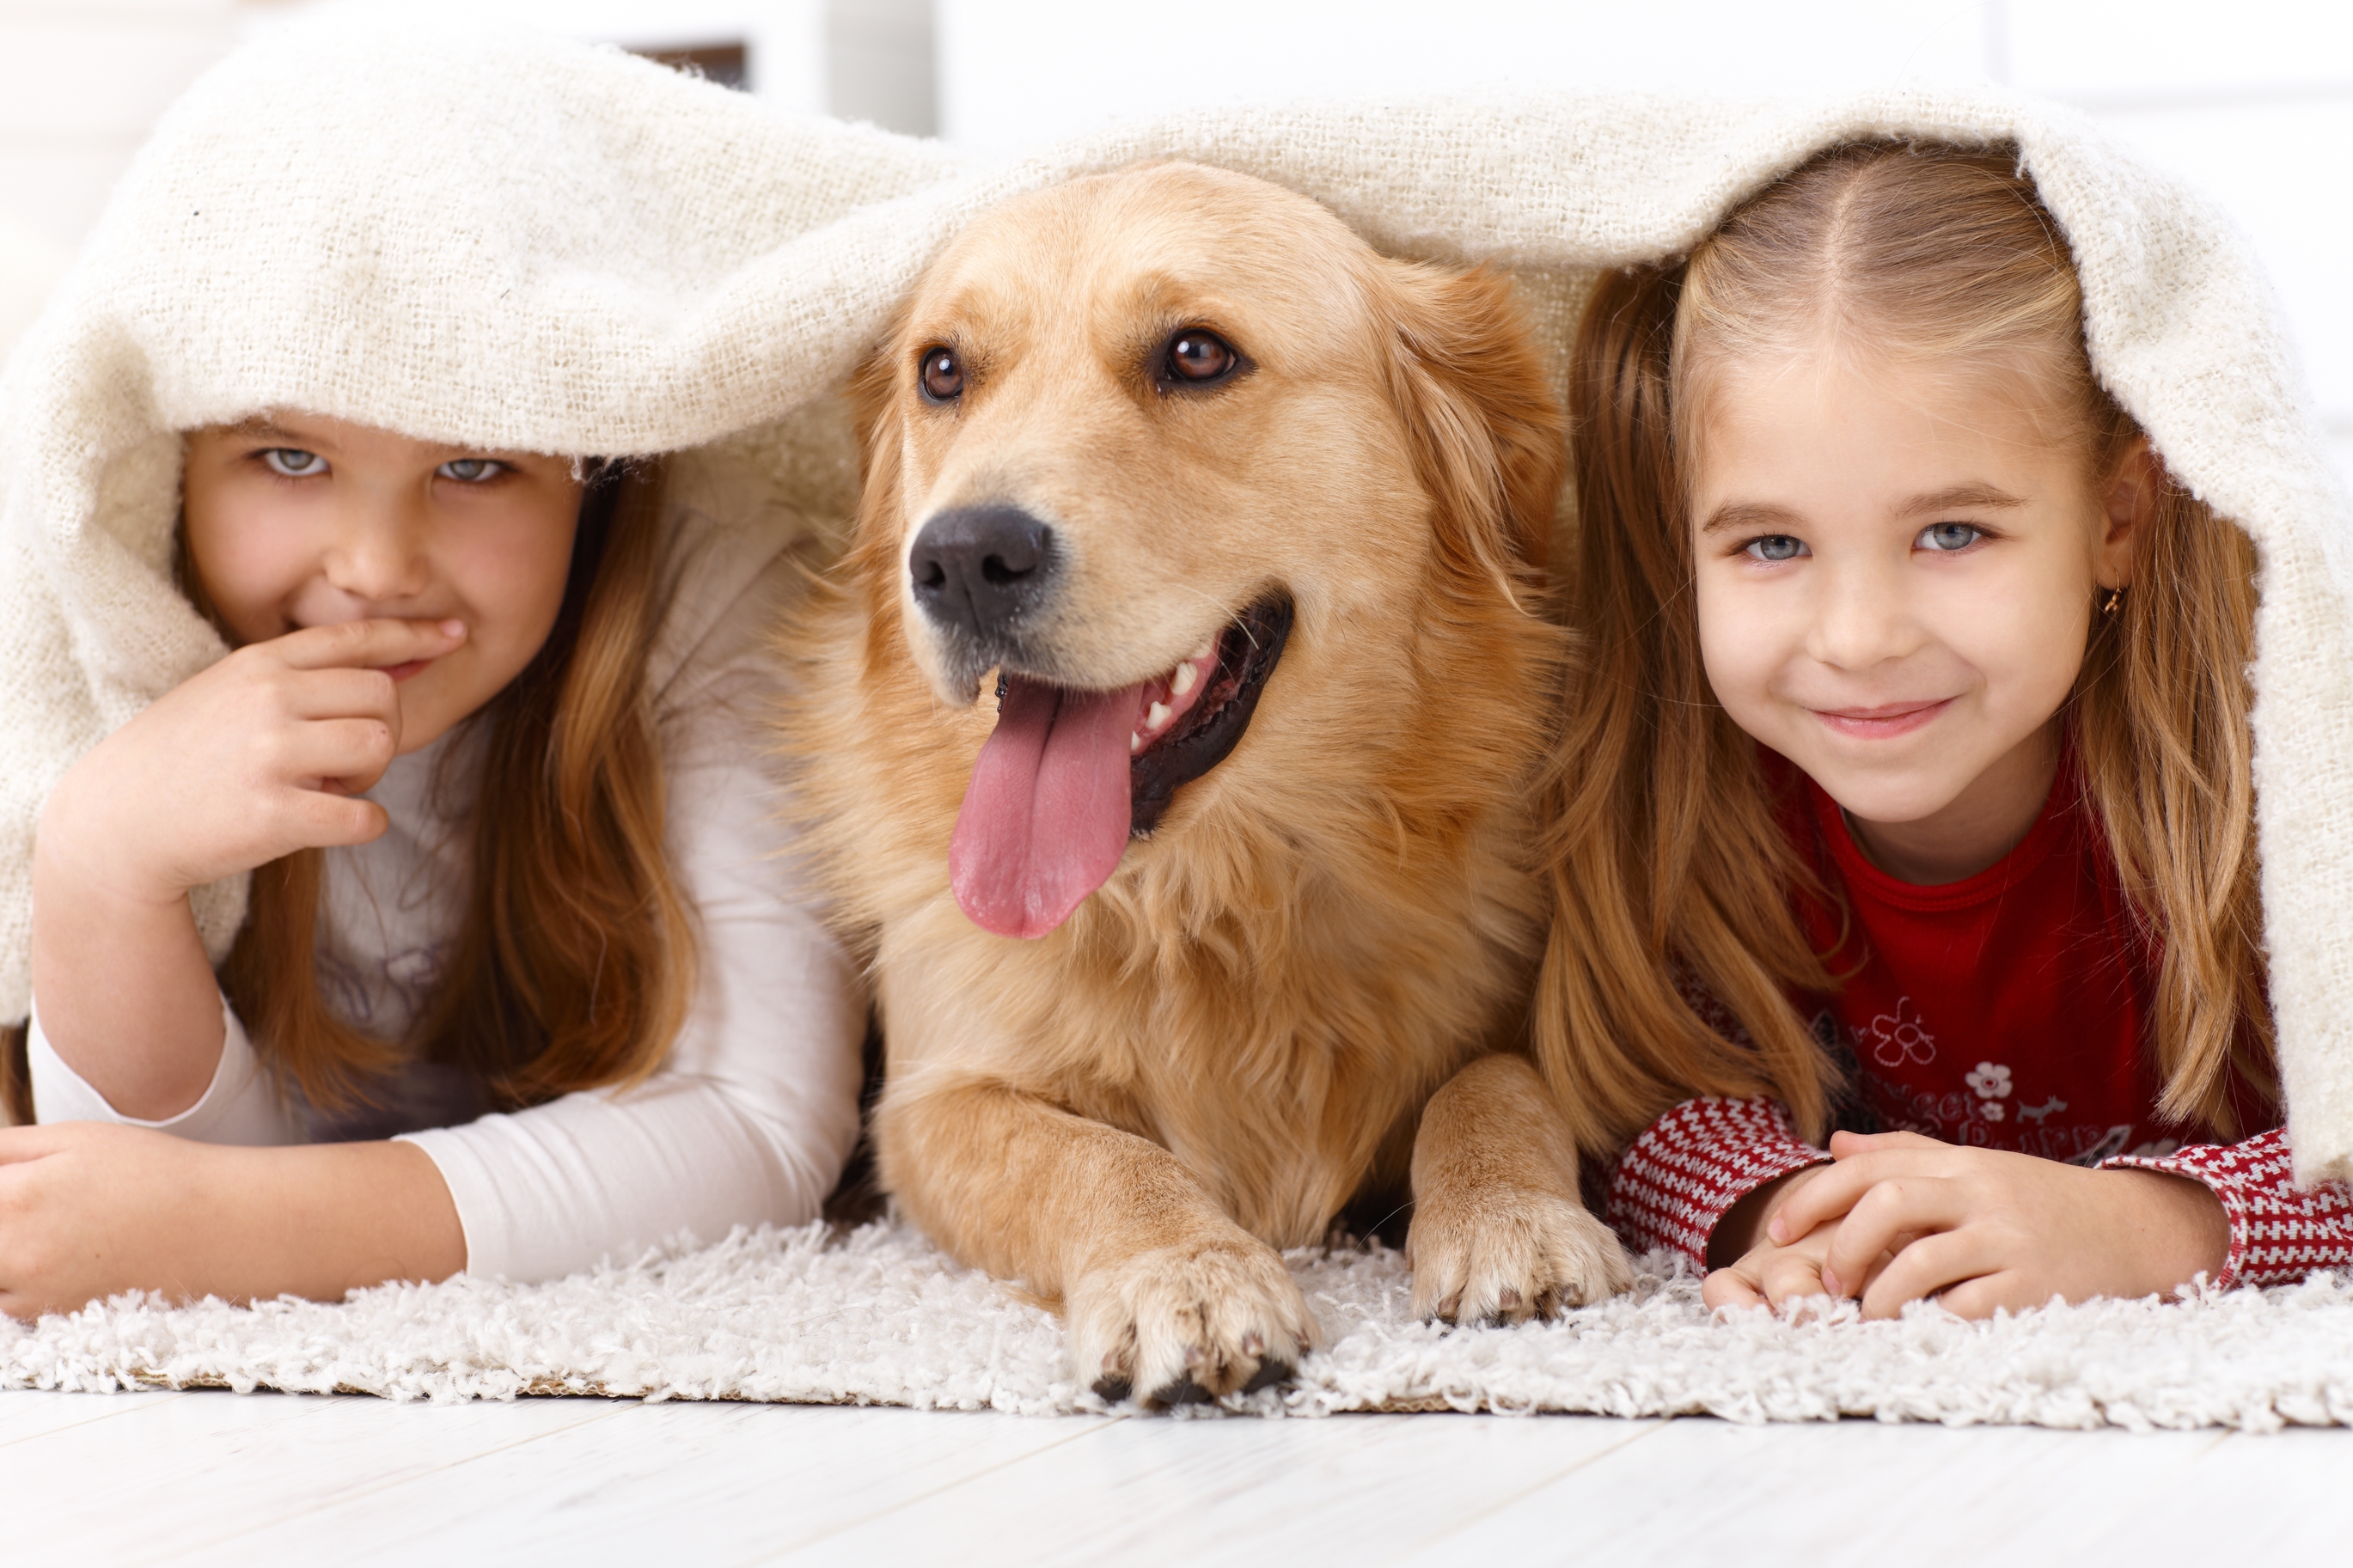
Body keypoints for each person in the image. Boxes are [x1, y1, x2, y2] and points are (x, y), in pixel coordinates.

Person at [1540, 140, 2353, 1317]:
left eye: (1950, 534)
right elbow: (1650, 1091)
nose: (1857, 637)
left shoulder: (2263, 791)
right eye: (1770, 545)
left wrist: (2144, 1225)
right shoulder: (1713, 803)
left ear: (2115, 517)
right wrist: (1791, 1216)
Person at [3, 412, 865, 1319]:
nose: (375, 569)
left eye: (474, 463)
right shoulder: (95, 565)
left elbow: (761, 1127)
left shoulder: (706, 567)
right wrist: (97, 858)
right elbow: (89, 1220)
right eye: (289, 458)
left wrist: (223, 1227)